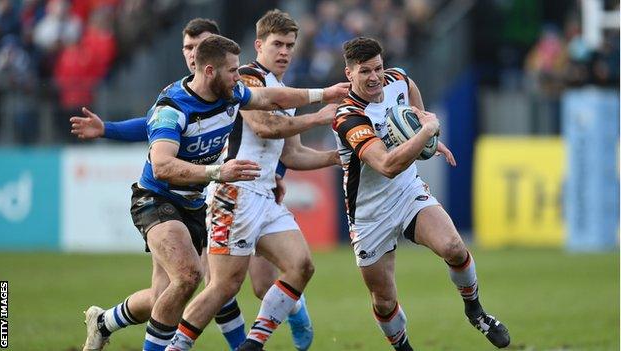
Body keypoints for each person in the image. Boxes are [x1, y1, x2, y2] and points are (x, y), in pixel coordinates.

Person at [76, 18, 319, 351]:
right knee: (199, 279)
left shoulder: (228, 91)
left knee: (177, 292)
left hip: (201, 198)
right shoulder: (174, 101)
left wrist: (270, 172)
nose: (192, 55)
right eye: (187, 48)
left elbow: (265, 106)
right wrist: (109, 130)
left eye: (198, 47)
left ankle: (106, 321)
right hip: (158, 198)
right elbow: (160, 149)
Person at [132, 34, 346, 351]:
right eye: (232, 70)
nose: (238, 76)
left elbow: (270, 99)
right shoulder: (172, 108)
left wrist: (324, 94)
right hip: (171, 196)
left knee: (300, 265)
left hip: (232, 193)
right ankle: (173, 346)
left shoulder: (231, 93)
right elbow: (162, 165)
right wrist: (218, 171)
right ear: (208, 72)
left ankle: (252, 344)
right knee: (210, 283)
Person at [331, 37, 510, 350]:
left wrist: (423, 133)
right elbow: (387, 165)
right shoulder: (348, 118)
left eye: (378, 68)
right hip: (369, 213)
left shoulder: (395, 79)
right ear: (349, 74)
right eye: (364, 72)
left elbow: (409, 85)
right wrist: (427, 132)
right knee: (384, 301)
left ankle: (476, 311)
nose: (375, 77)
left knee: (454, 246)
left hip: (406, 192)